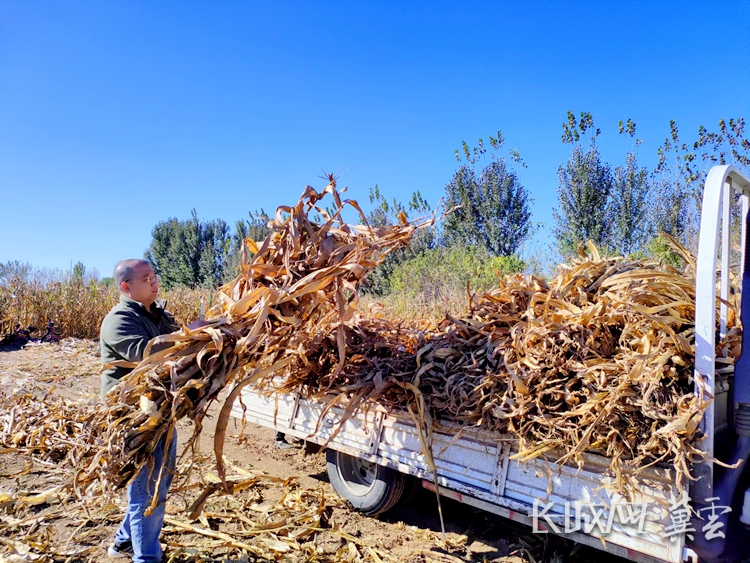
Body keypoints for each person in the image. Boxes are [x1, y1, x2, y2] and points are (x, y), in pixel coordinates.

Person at [100, 259, 205, 562]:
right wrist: (190, 336)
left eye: (154, 276)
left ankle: (123, 542)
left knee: (159, 482)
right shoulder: (118, 319)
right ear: (126, 286)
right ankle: (147, 558)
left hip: (162, 410)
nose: (154, 281)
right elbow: (147, 355)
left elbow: (184, 357)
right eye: (146, 278)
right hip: (133, 416)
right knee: (148, 490)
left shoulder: (162, 315)